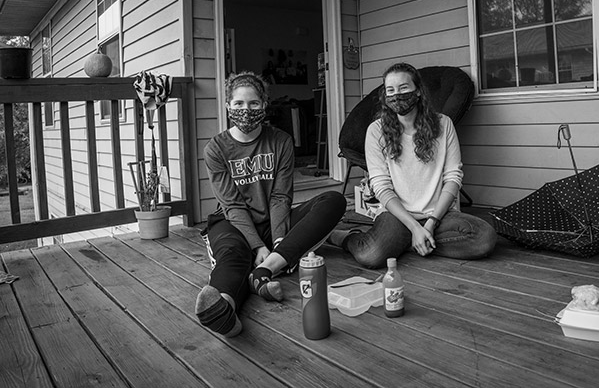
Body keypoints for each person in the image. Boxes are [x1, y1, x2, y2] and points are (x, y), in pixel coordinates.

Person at [195, 71, 346, 337]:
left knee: (333, 200)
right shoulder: (216, 149)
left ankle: (266, 269)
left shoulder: (280, 141)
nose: (246, 110)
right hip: (233, 223)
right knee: (233, 255)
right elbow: (232, 205)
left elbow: (280, 197)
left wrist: (277, 242)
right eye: (239, 104)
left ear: (264, 105)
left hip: (274, 221)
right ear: (228, 106)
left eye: (254, 104)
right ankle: (225, 308)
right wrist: (256, 245)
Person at [331, 62, 496, 268]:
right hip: (397, 216)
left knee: (484, 239)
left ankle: (408, 244)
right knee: (370, 255)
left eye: (403, 88)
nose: (396, 95)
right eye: (390, 90)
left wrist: (430, 223)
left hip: (439, 215)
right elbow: (381, 186)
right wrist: (414, 227)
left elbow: (453, 177)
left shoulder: (444, 124)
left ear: (418, 92)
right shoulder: (376, 131)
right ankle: (348, 238)